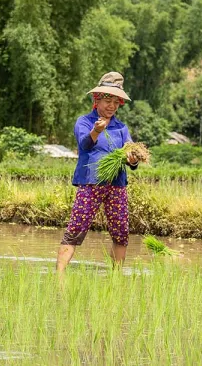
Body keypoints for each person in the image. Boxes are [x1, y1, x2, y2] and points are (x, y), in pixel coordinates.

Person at [56, 72, 146, 272]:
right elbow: (84, 145)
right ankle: (59, 278)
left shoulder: (121, 128)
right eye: (107, 100)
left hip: (116, 185)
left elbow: (130, 155)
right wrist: (96, 131)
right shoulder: (85, 122)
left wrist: (132, 159)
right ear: (96, 99)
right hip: (90, 184)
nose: (111, 106)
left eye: (116, 101)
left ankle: (116, 278)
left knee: (121, 232)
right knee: (76, 229)